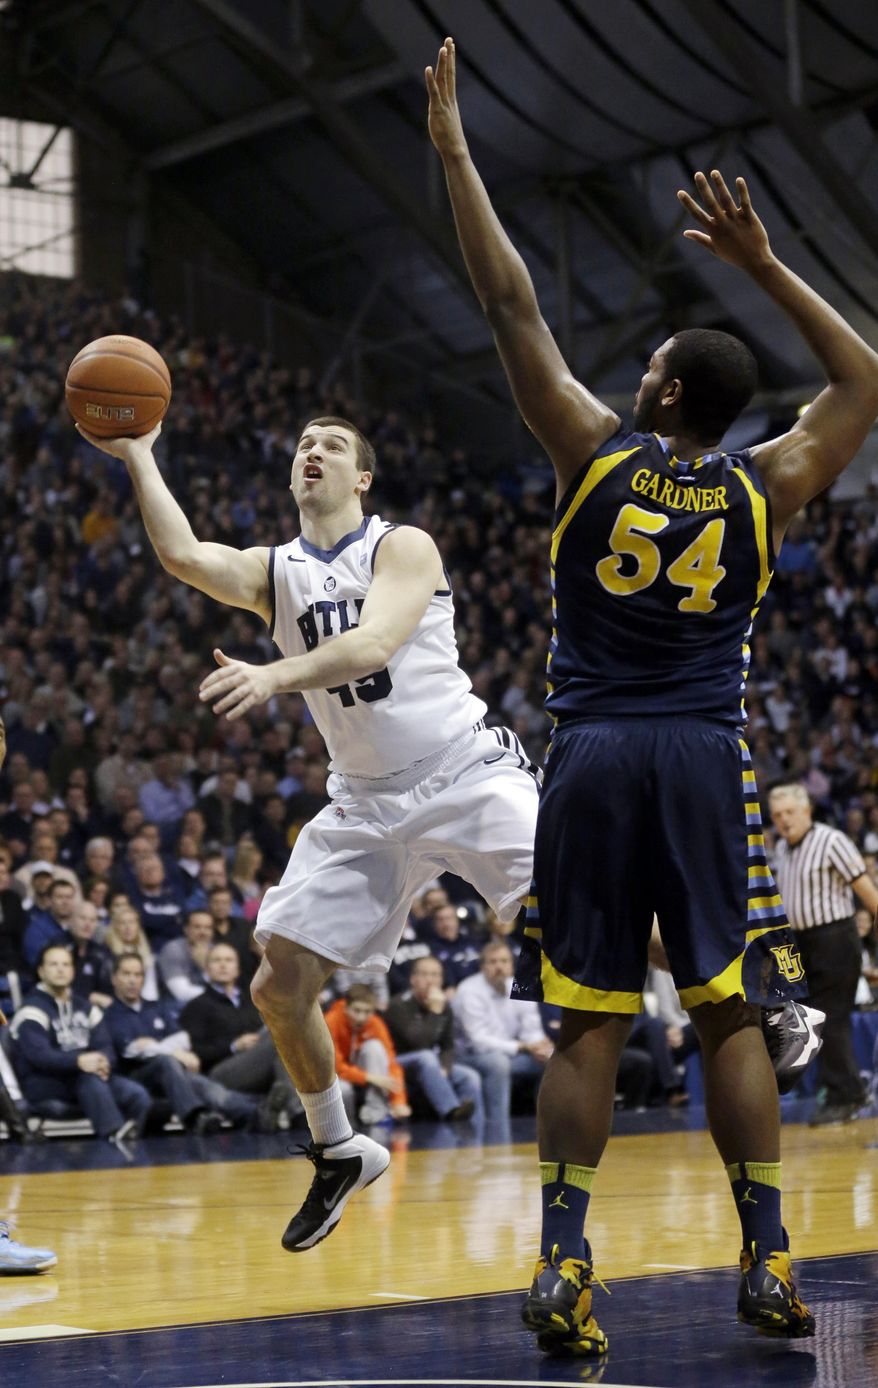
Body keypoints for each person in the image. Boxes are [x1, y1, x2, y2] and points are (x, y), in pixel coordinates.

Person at [427, 35, 878, 1352]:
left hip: (589, 753)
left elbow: (511, 304)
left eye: (645, 373)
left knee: (583, 1022)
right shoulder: (767, 483)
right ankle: (767, 1258)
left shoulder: (589, 454)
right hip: (699, 754)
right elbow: (862, 382)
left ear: (662, 391)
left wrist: (455, 151)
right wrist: (761, 264)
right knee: (727, 1006)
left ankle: (567, 1265)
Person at [79, 409, 539, 1254]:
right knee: (276, 987)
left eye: (332, 444)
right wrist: (141, 455)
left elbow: (372, 643)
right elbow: (183, 556)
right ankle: (338, 1146)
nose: (312, 452)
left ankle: (746, 989)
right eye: (302, 445)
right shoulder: (276, 571)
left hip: (463, 773)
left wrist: (273, 675)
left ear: (362, 478)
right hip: (363, 803)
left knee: (574, 909)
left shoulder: (402, 546)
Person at [769, 783, 878, 1123]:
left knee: (831, 1019)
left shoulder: (831, 841)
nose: (784, 821)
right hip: (800, 945)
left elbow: (865, 888)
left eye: (790, 813)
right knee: (811, 1022)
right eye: (777, 815)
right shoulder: (782, 852)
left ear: (807, 811)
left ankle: (849, 1095)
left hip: (835, 939)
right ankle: (836, 1091)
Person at [9, 943, 150, 1144]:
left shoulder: (85, 1007)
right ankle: (116, 1136)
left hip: (87, 1077)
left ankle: (137, 1145)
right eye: (54, 964)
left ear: (73, 971)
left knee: (137, 1094)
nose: (60, 969)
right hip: (44, 1082)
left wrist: (102, 1061)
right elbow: (40, 1056)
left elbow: (106, 1045)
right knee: (88, 1078)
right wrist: (79, 1061)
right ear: (41, 971)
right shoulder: (31, 1010)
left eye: (66, 964)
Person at [104, 953, 257, 1133]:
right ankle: (194, 1117)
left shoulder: (155, 1007)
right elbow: (132, 1049)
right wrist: (171, 1051)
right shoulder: (110, 1014)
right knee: (165, 1062)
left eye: (137, 975)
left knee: (211, 1089)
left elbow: (182, 1039)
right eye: (126, 974)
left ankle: (256, 1113)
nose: (132, 980)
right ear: (114, 978)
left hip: (172, 1074)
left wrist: (154, 1045)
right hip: (137, 1075)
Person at [453, 941, 551, 1122]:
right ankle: (498, 1123)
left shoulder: (520, 985)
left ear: (512, 965)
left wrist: (539, 1045)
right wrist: (522, 1046)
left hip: (512, 1053)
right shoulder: (469, 990)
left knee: (552, 1058)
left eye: (504, 961)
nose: (499, 966)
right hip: (470, 1056)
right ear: (482, 966)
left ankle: (548, 1121)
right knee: (498, 1063)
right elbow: (478, 1041)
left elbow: (531, 1028)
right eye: (493, 962)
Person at [385, 956, 480, 1122]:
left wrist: (445, 1067)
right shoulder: (398, 1004)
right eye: (424, 974)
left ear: (442, 980)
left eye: (435, 975)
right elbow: (418, 1043)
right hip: (398, 1063)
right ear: (413, 979)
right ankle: (451, 1112)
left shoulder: (444, 1005)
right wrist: (435, 1012)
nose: (430, 980)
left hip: (430, 1065)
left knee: (469, 1076)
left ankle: (474, 1126)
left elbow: (448, 1045)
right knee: (426, 1057)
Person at [324, 983, 411, 1126]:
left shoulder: (376, 1023)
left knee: (375, 1047)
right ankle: (345, 1125)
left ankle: (377, 1114)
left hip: (363, 1074)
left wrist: (398, 1101)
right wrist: (369, 1077)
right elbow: (334, 1066)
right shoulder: (331, 1021)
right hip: (337, 1077)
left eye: (367, 1011)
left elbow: (391, 1063)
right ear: (346, 1007)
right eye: (356, 1010)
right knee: (343, 1088)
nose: (361, 1017)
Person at [157, 908, 213, 1006]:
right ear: (186, 929)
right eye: (197, 927)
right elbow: (181, 993)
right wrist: (219, 995)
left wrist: (204, 967)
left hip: (211, 1006)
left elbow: (226, 986)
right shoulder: (173, 949)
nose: (203, 932)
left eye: (208, 928)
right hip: (178, 1007)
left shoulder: (216, 950)